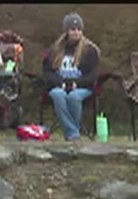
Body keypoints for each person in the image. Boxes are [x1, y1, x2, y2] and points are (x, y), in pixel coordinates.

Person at [42, 13, 101, 142]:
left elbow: (93, 75)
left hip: (82, 87)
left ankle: (71, 134)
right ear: (67, 31)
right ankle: (73, 133)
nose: (76, 33)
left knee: (74, 97)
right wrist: (60, 83)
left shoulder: (90, 50)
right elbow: (47, 72)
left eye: (79, 29)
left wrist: (77, 83)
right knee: (58, 95)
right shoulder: (55, 50)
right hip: (59, 86)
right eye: (73, 29)